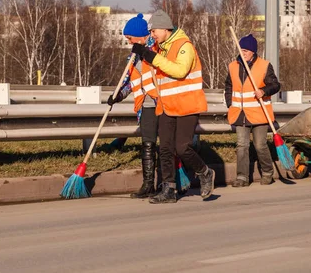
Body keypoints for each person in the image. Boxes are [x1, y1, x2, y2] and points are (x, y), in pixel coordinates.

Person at [131, 10, 215, 204]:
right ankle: (168, 189)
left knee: (182, 147)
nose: (152, 35)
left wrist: (150, 56)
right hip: (167, 106)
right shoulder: (161, 49)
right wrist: (142, 55)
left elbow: (179, 70)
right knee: (166, 148)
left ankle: (204, 172)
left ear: (165, 28)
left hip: (187, 105)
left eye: (154, 32)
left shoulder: (184, 46)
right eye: (151, 32)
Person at [107, 13, 160, 198]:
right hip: (144, 105)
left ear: (139, 34)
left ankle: (167, 182)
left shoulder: (157, 48)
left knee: (168, 146)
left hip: (160, 102)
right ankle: (148, 185)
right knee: (147, 144)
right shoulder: (133, 56)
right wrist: (118, 95)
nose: (128, 41)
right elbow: (130, 82)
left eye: (129, 37)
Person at [225, 34, 280, 187]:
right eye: (241, 50)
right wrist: (230, 103)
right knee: (242, 145)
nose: (243, 53)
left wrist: (263, 91)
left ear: (253, 52)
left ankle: (268, 172)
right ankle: (242, 177)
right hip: (239, 113)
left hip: (259, 113)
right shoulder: (233, 66)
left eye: (246, 50)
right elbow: (228, 86)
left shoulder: (264, 65)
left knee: (260, 145)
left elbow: (275, 85)